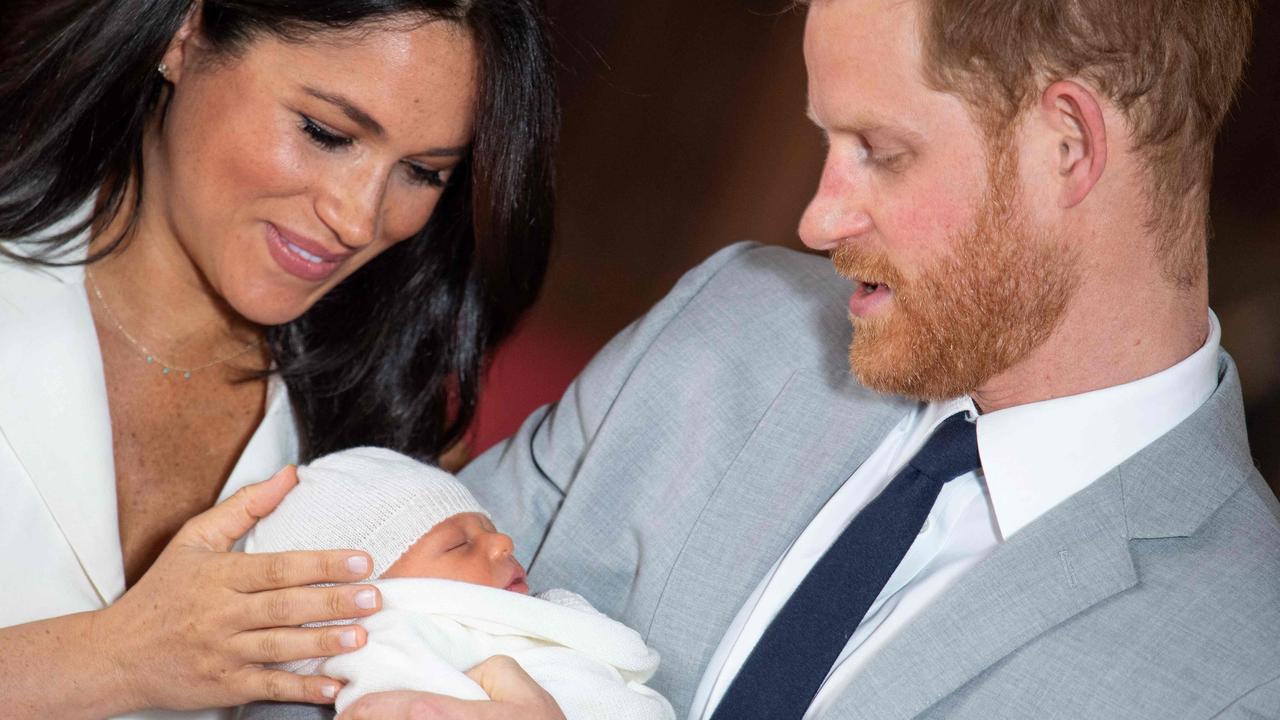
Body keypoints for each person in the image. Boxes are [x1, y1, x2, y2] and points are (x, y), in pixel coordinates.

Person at [254, 0, 1280, 718]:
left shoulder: (1249, 667)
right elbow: (319, 646)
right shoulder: (731, 320)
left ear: (1067, 145)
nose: (817, 217)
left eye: (880, 151)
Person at [0, 0, 556, 717]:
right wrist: (116, 656)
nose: (358, 218)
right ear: (185, 34)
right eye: (326, 132)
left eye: (422, 171)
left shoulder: (376, 435)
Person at [243, 447, 676, 719]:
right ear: (360, 600)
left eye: (489, 526)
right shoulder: (390, 640)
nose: (503, 542)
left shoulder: (533, 621)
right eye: (458, 544)